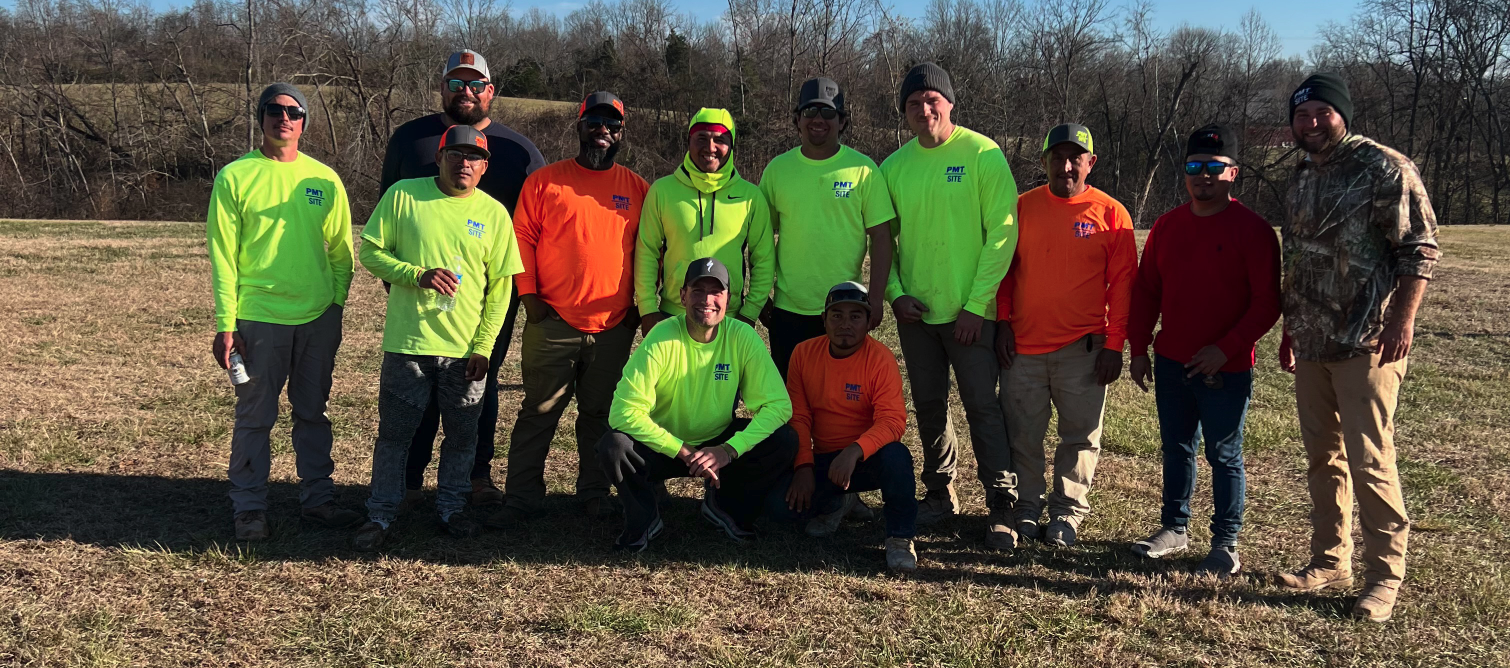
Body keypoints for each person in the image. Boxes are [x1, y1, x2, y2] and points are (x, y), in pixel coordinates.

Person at [1274, 73, 1440, 623]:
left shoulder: (1385, 167)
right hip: (1312, 342)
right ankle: (1330, 561)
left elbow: (1419, 248)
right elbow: (1297, 258)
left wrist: (1401, 320)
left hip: (1367, 340)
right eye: (1301, 115)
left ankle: (1384, 578)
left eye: (1322, 112)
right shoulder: (1301, 174)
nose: (1311, 123)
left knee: (1370, 459)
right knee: (1323, 458)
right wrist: (1292, 328)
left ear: (1342, 114)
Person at [380, 49, 546, 506]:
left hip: (488, 297)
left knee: (479, 383)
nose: (465, 92)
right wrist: (404, 282)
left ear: (490, 91)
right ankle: (409, 479)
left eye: (475, 84)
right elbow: (385, 219)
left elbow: (540, 224)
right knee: (415, 392)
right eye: (456, 83)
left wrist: (522, 292)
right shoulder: (410, 140)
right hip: (417, 298)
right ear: (443, 88)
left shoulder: (519, 151)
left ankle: (476, 475)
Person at [351, 125, 524, 550]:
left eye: (474, 157)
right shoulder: (404, 196)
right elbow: (370, 251)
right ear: (439, 157)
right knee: (394, 437)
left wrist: (484, 347)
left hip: (464, 353)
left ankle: (451, 508)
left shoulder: (494, 214)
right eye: (455, 154)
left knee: (462, 438)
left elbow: (501, 290)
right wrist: (417, 275)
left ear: (484, 167)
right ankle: (381, 513)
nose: (464, 163)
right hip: (407, 347)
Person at [1126, 124, 1281, 578]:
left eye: (1215, 167)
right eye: (1195, 166)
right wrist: (1140, 348)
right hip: (1173, 360)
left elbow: (1267, 303)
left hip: (1225, 369)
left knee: (1223, 454)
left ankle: (1225, 544)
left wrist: (1226, 348)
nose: (1204, 175)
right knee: (1176, 448)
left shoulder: (1253, 230)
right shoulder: (1168, 226)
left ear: (1234, 173)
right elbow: (1147, 290)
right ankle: (1174, 528)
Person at [207, 83, 359, 541]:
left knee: (314, 412)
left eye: (294, 112)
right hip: (260, 316)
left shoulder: (324, 179)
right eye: (274, 109)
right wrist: (226, 324)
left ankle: (318, 500)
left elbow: (342, 251)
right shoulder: (235, 177)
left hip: (317, 317)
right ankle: (249, 508)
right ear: (261, 117)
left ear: (305, 123)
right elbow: (223, 256)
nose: (284, 118)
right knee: (255, 416)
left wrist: (335, 305)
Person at [882, 63, 1019, 550]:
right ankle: (941, 493)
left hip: (970, 316)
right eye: (913, 103)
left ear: (950, 103)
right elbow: (882, 241)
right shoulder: (893, 167)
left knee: (983, 405)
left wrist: (977, 305)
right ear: (904, 112)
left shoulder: (982, 153)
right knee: (929, 406)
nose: (924, 110)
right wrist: (895, 293)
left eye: (932, 100)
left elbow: (1003, 234)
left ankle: (1001, 502)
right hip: (917, 315)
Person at [498, 92, 650, 523]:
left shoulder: (637, 188)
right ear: (579, 126)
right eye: (594, 122)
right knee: (538, 412)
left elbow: (652, 249)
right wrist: (529, 296)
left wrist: (639, 308)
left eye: (612, 125)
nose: (603, 130)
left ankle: (594, 494)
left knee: (600, 416)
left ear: (622, 133)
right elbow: (521, 238)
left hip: (613, 327)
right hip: (553, 321)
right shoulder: (545, 182)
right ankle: (522, 497)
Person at [994, 123, 1136, 548]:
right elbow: (1004, 271)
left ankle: (1067, 513)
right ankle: (1026, 508)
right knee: (1022, 436)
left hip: (1084, 350)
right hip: (1023, 349)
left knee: (1080, 437)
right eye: (1057, 157)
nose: (1066, 166)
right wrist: (1002, 322)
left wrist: (1114, 345)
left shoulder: (1111, 214)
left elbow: (1123, 286)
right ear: (1044, 162)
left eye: (1076, 158)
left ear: (1091, 163)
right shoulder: (1021, 207)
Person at [599, 258, 796, 551]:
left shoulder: (742, 337)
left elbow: (779, 406)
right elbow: (622, 412)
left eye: (716, 292)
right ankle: (644, 518)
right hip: (665, 445)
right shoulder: (661, 337)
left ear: (729, 299)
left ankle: (726, 507)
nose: (707, 300)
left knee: (784, 439)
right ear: (682, 296)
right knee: (614, 445)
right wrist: (682, 450)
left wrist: (729, 450)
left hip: (718, 442)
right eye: (698, 290)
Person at [768, 282, 918, 572]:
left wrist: (854, 451)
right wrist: (803, 467)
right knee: (778, 509)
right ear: (823, 319)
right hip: (824, 461)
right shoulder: (803, 353)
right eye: (836, 315)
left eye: (855, 316)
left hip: (865, 459)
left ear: (869, 322)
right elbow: (799, 417)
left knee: (897, 457)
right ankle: (839, 502)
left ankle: (900, 536)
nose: (845, 324)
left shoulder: (881, 358)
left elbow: (892, 420)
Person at [758, 77, 895, 377]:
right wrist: (759, 296)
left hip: (845, 309)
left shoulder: (864, 170)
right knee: (790, 397)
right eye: (810, 111)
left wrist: (875, 298)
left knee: (842, 397)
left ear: (842, 121)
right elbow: (759, 238)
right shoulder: (777, 170)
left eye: (828, 112)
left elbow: (882, 237)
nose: (818, 120)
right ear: (797, 119)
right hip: (789, 309)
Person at [635, 109, 774, 336]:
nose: (710, 147)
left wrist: (749, 313)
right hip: (673, 316)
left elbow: (764, 259)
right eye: (701, 138)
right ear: (689, 142)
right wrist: (648, 309)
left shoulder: (751, 197)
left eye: (720, 140)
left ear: (732, 145)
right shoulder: (662, 191)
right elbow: (647, 251)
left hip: (730, 319)